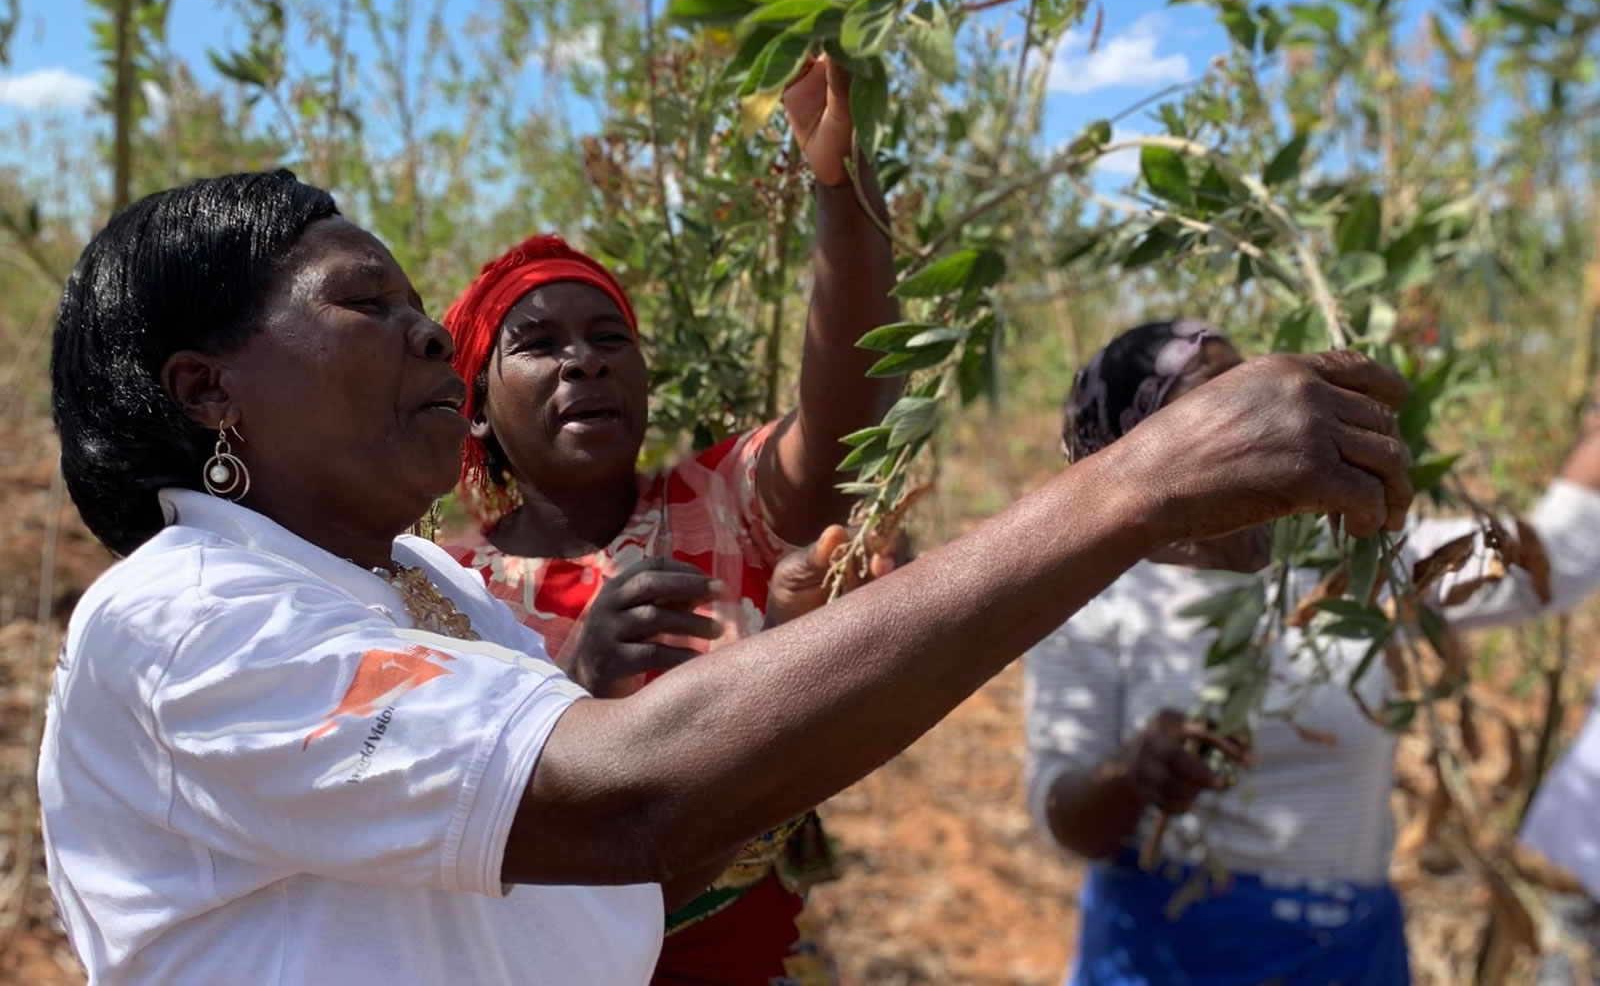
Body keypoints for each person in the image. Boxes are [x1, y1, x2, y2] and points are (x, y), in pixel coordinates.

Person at [41, 170, 1413, 986]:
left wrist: (817, 651)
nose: (424, 339)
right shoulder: (186, 622)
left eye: (420, 310)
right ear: (208, 392)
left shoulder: (415, 588)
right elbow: (633, 796)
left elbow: (664, 827)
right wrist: (1138, 484)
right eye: (364, 304)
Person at [437, 57, 901, 982]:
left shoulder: (722, 497)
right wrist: (578, 686)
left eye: (610, 338)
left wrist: (840, 186)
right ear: (476, 410)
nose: (584, 361)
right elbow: (476, 829)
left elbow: (842, 423)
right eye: (538, 344)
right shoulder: (451, 588)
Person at [1024, 319, 1600, 986]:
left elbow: (1552, 562)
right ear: (1144, 449)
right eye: (1219, 400)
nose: (1259, 412)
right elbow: (1060, 809)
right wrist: (1130, 776)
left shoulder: (1357, 552)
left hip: (1344, 957)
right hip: (1163, 955)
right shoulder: (1100, 601)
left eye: (1252, 387)